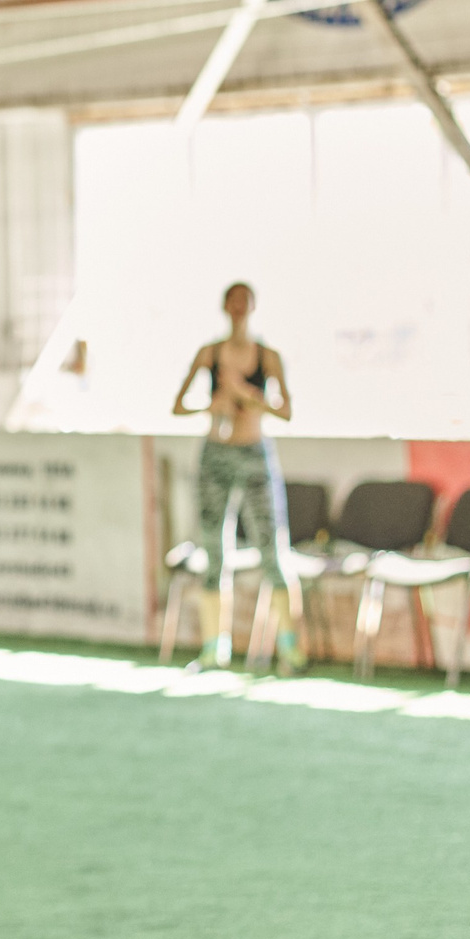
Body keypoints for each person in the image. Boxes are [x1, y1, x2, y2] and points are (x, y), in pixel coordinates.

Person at [169, 281, 298, 670]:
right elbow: (178, 405)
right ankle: (214, 647)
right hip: (216, 456)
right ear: (225, 306)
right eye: (233, 302)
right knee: (214, 550)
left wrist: (249, 396)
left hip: (254, 454)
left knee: (271, 548)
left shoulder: (268, 357)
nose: (239, 308)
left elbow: (286, 411)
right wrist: (210, 407)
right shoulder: (209, 353)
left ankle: (290, 649)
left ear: (253, 306)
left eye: (245, 302)